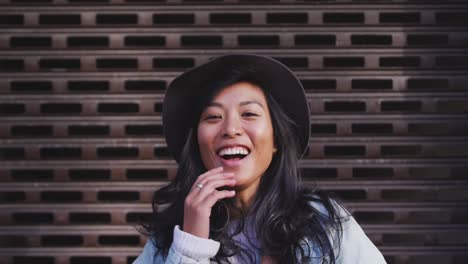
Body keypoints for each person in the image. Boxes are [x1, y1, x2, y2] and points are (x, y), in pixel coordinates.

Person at [133, 54, 386, 263]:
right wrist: (190, 247)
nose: (231, 129)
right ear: (197, 143)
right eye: (213, 117)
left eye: (249, 114)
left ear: (276, 140)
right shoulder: (167, 239)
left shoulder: (324, 222)